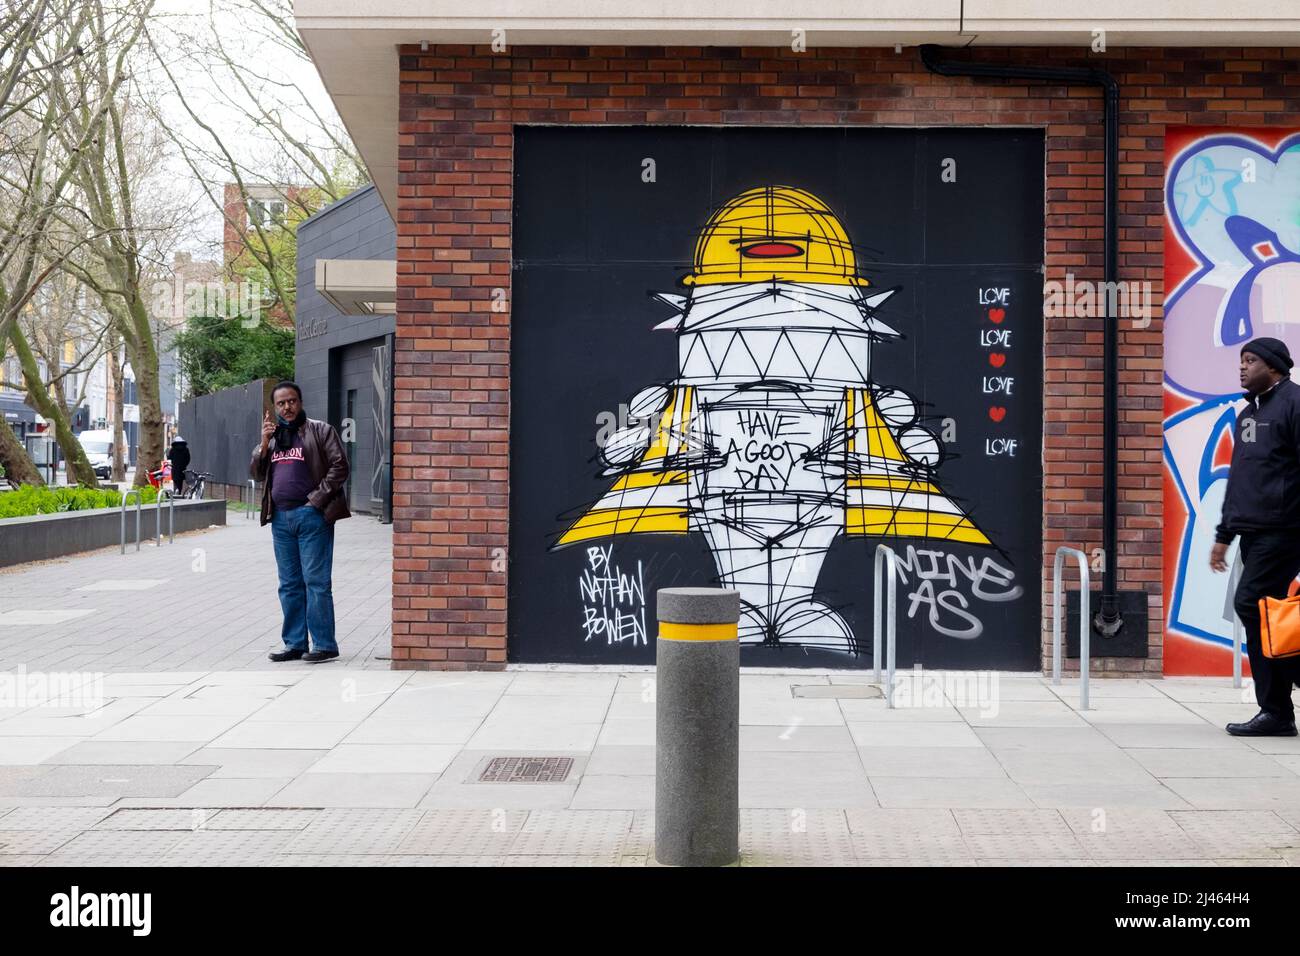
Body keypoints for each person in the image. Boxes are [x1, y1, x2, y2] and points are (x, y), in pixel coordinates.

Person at [1210, 336, 1300, 736]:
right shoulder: (1248, 414)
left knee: (1252, 604)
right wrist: (1224, 535)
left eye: (1251, 360)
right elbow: (1240, 479)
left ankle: (1277, 708)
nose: (1243, 367)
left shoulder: (1294, 405)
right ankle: (1278, 711)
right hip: (1254, 532)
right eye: (1241, 360)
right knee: (1265, 614)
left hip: (1285, 530)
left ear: (1275, 367)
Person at [250, 381, 351, 663]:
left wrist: (315, 500)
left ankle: (324, 644)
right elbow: (257, 473)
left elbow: (340, 466)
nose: (287, 407)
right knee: (289, 584)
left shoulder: (320, 430)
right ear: (275, 407)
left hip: (312, 516)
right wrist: (264, 444)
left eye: (292, 401)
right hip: (280, 519)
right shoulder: (272, 437)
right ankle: (295, 643)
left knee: (316, 581)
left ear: (301, 402)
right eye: (281, 403)